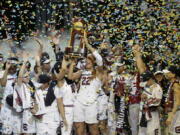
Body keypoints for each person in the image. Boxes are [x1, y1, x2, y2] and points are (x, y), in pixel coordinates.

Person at [68, 31, 104, 135]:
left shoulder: (98, 72)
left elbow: (99, 58)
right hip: (79, 101)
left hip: (91, 103)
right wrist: (72, 63)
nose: (87, 61)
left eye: (89, 60)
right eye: (86, 60)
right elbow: (70, 77)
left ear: (93, 62)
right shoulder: (82, 71)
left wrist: (87, 44)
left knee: (93, 128)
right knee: (79, 126)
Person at [133, 44, 163, 135]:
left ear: (151, 79)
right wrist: (137, 54)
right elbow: (141, 69)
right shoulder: (146, 84)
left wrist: (146, 98)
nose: (145, 81)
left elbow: (157, 102)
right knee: (142, 132)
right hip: (143, 114)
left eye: (146, 80)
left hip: (152, 115)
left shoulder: (157, 88)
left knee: (152, 133)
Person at [163, 66, 180, 135]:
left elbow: (178, 101)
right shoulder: (171, 84)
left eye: (168, 73)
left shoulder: (176, 85)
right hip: (174, 112)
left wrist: (171, 116)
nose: (166, 74)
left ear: (173, 74)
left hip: (177, 113)